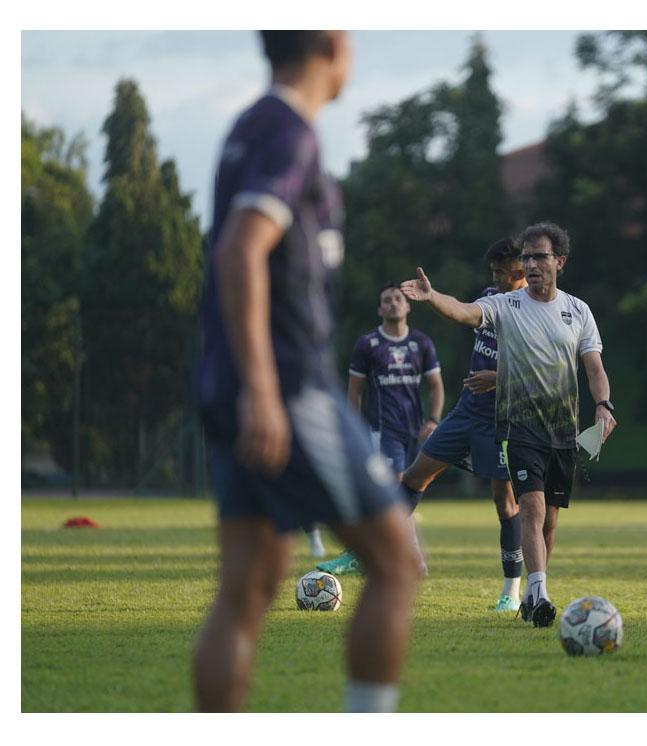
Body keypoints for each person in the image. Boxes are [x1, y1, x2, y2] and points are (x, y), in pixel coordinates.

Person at [192, 30, 419, 713]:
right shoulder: (290, 133)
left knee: (248, 588)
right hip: (286, 389)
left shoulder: (249, 126)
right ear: (329, 43)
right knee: (395, 565)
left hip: (232, 386)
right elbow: (239, 251)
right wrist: (265, 390)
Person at [400, 221, 617, 628]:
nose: (532, 264)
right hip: (518, 427)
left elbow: (594, 367)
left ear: (560, 262)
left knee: (549, 519)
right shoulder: (506, 306)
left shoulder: (578, 310)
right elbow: (466, 313)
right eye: (528, 257)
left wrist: (603, 404)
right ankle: (539, 595)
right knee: (530, 508)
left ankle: (531, 592)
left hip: (562, 429)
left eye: (540, 257)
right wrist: (433, 297)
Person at [397, 238, 528, 613]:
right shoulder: (491, 296)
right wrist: (433, 295)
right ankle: (374, 550)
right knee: (413, 477)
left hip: (502, 420)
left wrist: (498, 378)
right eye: (493, 272)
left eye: (500, 272)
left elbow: (546, 370)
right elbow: (462, 311)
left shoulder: (536, 310)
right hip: (466, 413)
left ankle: (511, 589)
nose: (495, 278)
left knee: (505, 503)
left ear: (518, 271)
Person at [315, 282, 444, 576]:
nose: (393, 303)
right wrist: (352, 430)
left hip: (416, 431)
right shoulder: (368, 344)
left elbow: (436, 386)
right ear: (379, 308)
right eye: (386, 300)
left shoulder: (421, 343)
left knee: (404, 490)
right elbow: (354, 391)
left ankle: (397, 555)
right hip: (382, 431)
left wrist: (434, 420)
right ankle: (392, 555)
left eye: (398, 299)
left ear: (408, 305)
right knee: (394, 488)